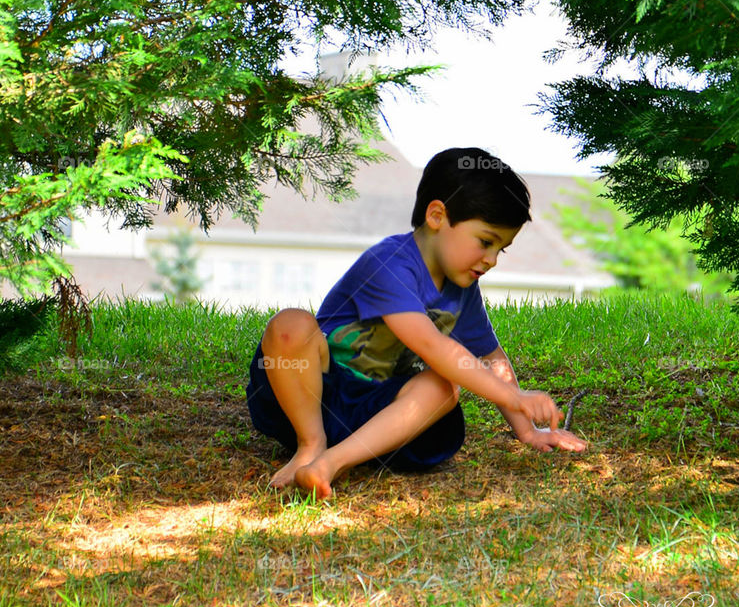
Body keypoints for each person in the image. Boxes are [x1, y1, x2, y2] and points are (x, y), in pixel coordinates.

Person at [245, 147, 587, 498]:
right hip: (310, 396)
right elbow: (432, 345)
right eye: (485, 242)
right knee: (292, 325)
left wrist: (528, 431)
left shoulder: (462, 288)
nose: (492, 259)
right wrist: (513, 398)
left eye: (501, 248)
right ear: (437, 215)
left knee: (443, 388)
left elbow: (490, 356)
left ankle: (332, 462)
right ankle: (310, 444)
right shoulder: (390, 263)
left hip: (376, 414)